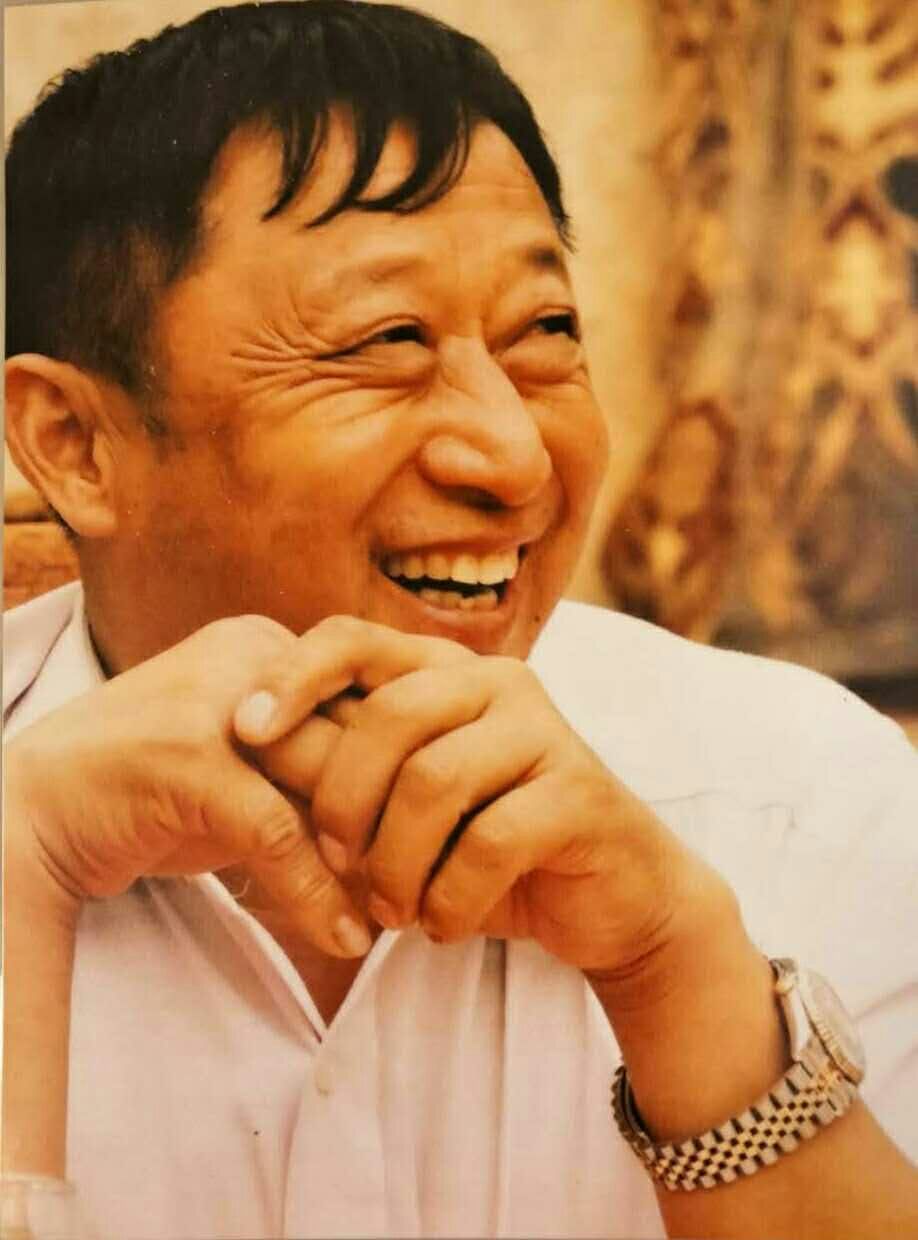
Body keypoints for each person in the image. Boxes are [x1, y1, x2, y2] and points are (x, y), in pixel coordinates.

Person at [3, 3, 916, 1237]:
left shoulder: (797, 792)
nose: (515, 454)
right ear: (75, 443)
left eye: (546, 336)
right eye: (386, 341)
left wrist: (673, 964)